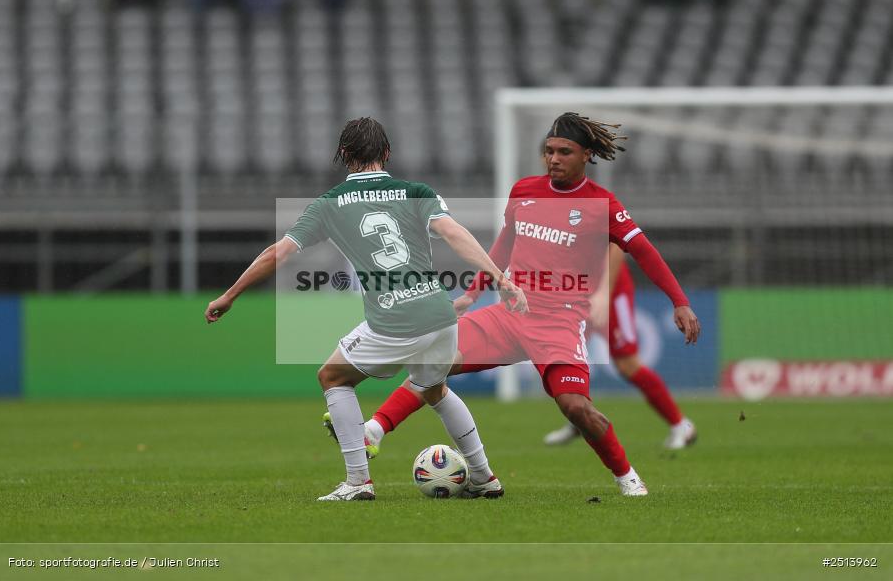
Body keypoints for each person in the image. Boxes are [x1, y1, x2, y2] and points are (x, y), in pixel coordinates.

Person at [347, 112, 701, 498]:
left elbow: (643, 251)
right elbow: (504, 246)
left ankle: (627, 476)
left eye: (564, 152)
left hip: (559, 322)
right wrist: (472, 294)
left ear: (586, 155)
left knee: (575, 407)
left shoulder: (602, 204)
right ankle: (374, 430)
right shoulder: (524, 191)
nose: (554, 159)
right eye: (549, 151)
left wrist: (679, 302)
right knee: (433, 360)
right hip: (510, 314)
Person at [205, 117, 527, 501]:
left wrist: (230, 295)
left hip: (395, 319)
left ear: (343, 154)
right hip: (441, 315)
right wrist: (500, 278)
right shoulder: (416, 191)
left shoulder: (328, 205)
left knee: (332, 377)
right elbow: (454, 234)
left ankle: (358, 481)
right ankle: (484, 476)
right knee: (434, 390)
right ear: (386, 153)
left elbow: (278, 253)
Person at [543, 243, 697, 448]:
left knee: (627, 364)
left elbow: (615, 246)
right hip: (578, 287)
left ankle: (681, 425)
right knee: (566, 356)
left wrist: (605, 293)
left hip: (611, 290)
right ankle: (580, 421)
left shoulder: (599, 219)